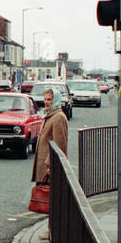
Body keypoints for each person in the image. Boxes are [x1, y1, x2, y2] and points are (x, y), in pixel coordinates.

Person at [31, 87, 68, 234]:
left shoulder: (58, 117)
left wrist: (51, 166)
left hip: (49, 166)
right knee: (49, 198)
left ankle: (52, 230)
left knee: (51, 200)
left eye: (50, 100)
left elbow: (60, 144)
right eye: (45, 99)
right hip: (44, 165)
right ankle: (50, 229)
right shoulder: (50, 115)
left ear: (56, 100)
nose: (46, 102)